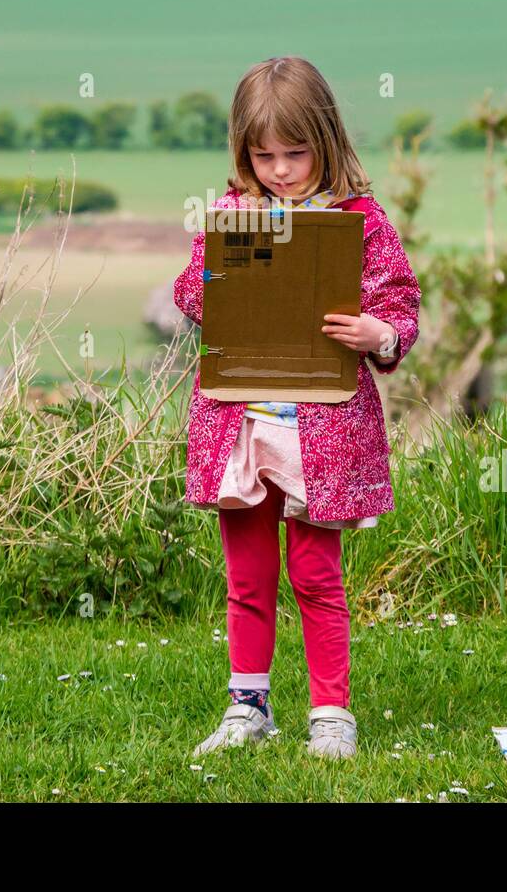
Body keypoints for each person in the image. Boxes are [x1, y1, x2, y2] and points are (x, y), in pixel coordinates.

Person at [173, 56, 421, 759]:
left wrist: (381, 335)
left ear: (328, 140)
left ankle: (331, 714)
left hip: (324, 428)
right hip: (242, 425)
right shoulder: (231, 215)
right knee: (247, 577)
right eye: (263, 154)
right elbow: (191, 298)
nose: (280, 170)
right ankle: (247, 707)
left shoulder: (359, 221)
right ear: (242, 151)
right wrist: (226, 250)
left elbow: (398, 301)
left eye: (296, 152)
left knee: (316, 574)